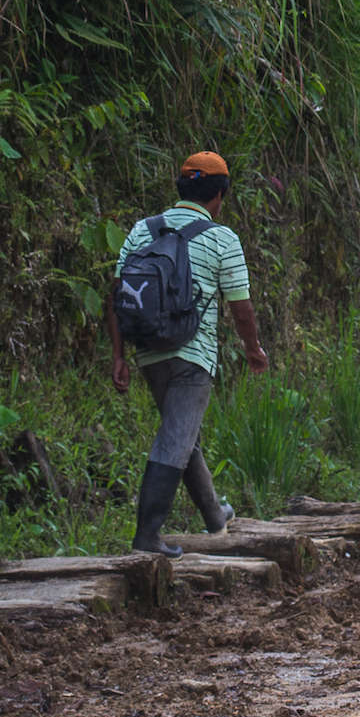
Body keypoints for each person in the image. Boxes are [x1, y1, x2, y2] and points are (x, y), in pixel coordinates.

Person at [108, 151, 269, 556]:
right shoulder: (221, 238)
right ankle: (147, 535)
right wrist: (253, 348)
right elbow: (241, 306)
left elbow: (116, 297)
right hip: (191, 357)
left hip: (147, 350)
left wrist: (119, 356)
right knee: (175, 439)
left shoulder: (142, 231)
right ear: (219, 195)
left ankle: (215, 515)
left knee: (184, 435)